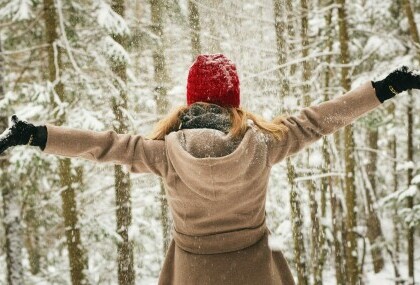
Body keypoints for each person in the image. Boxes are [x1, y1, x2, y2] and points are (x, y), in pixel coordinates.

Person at [0, 54, 419, 285]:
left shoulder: (163, 153)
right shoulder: (263, 144)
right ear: (233, 100)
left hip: (191, 275)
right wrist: (385, 88)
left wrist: (37, 135)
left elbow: (103, 146)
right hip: (255, 275)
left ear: (190, 101)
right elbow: (318, 120)